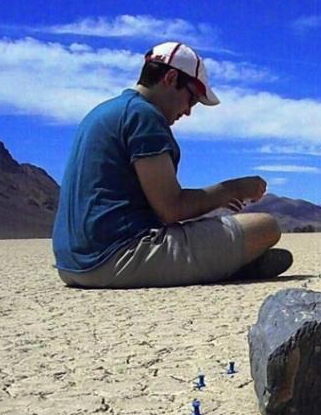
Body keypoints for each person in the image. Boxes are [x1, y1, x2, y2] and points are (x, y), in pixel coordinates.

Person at [52, 41, 292, 288]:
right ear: (170, 77)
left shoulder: (103, 112)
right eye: (192, 98)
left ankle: (220, 264)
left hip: (71, 264)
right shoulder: (144, 116)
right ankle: (223, 266)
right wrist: (232, 190)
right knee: (266, 226)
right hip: (115, 258)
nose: (188, 111)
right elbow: (170, 209)